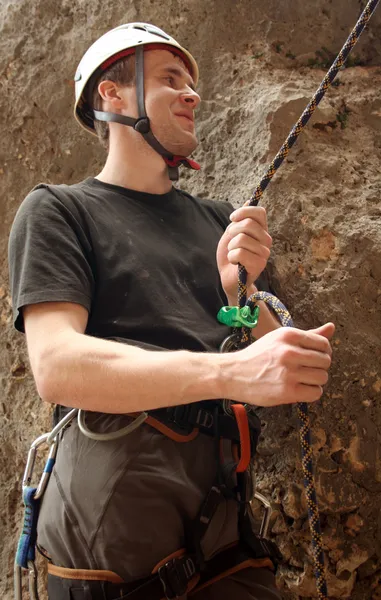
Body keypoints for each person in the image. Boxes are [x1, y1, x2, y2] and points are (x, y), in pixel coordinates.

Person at [8, 23, 334, 600]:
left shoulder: (220, 222)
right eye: (169, 79)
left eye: (190, 83)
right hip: (112, 494)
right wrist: (229, 375)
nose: (192, 95)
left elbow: (262, 354)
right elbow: (58, 365)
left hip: (221, 496)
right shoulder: (59, 211)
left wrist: (243, 289)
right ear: (112, 94)